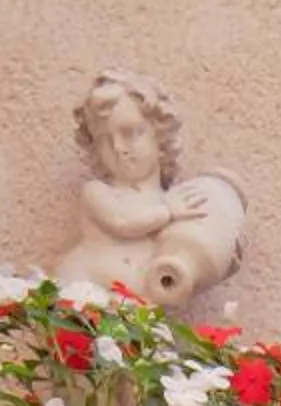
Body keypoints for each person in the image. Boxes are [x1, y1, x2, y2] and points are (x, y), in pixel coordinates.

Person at [56, 67, 246, 310]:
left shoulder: (174, 202)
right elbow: (123, 222)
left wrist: (221, 250)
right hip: (85, 291)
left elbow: (182, 265)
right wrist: (168, 212)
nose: (118, 147)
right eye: (104, 139)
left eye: (130, 133)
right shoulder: (97, 193)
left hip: (134, 313)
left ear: (160, 135)